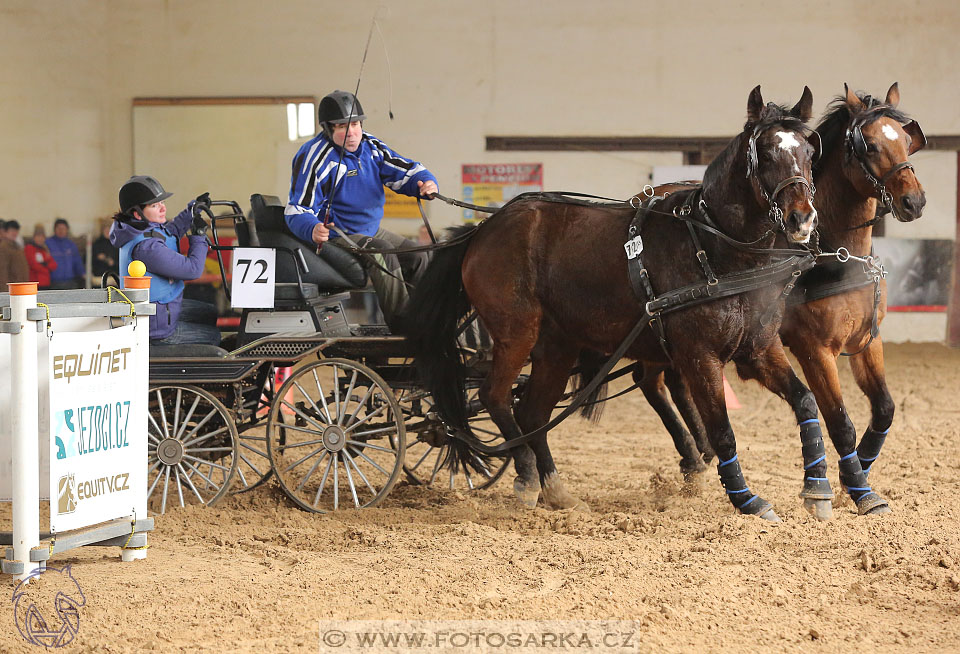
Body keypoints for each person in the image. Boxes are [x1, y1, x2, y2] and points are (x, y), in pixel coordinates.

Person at [284, 90, 438, 329]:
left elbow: (404, 170)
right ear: (327, 128)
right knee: (382, 251)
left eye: (355, 124)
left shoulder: (371, 146)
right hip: (338, 234)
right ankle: (404, 325)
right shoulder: (315, 157)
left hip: (370, 230)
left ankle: (429, 317)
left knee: (420, 254)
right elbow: (297, 208)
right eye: (341, 127)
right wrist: (312, 227)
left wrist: (424, 181)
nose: (352, 132)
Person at [110, 175, 220, 346]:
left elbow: (170, 232)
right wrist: (198, 237)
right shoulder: (147, 248)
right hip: (158, 329)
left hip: (163, 309)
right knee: (214, 336)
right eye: (155, 205)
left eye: (161, 202)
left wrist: (193, 211)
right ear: (137, 214)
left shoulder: (138, 228)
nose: (162, 208)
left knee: (210, 313)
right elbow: (193, 270)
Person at [46, 218, 85, 289]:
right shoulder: (48, 243)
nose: (61, 231)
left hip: (70, 282)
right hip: (53, 282)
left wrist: (83, 274)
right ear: (54, 229)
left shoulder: (71, 244)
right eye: (59, 228)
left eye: (63, 228)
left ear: (67, 230)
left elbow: (77, 262)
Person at [24, 224, 57, 289]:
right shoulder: (29, 248)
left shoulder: (44, 249)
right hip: (35, 283)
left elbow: (54, 264)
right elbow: (33, 264)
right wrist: (46, 268)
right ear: (34, 237)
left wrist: (45, 266)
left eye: (42, 237)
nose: (40, 239)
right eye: (38, 236)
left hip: (46, 283)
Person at [0, 220, 30, 290]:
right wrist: (5, 291)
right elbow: (2, 271)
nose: (15, 233)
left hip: (20, 286)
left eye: (16, 231)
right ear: (5, 232)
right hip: (11, 289)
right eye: (12, 230)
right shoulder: (3, 248)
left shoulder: (17, 246)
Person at [91, 218, 119, 284]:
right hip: (100, 275)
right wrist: (98, 257)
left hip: (114, 274)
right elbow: (89, 259)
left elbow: (121, 261)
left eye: (109, 229)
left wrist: (113, 263)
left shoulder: (117, 244)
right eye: (105, 229)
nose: (107, 231)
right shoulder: (97, 244)